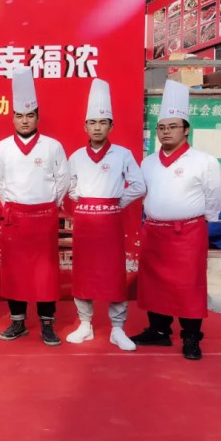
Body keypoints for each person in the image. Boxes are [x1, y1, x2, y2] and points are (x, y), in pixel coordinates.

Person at [132, 80, 221, 360]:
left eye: (173, 126)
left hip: (187, 233)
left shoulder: (204, 161)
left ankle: (191, 337)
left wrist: (199, 221)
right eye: (162, 127)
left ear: (186, 130)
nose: (166, 132)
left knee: (188, 287)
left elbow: (214, 198)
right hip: (154, 232)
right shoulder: (148, 162)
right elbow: (141, 192)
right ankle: (159, 330)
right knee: (154, 284)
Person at [0, 67, 69, 346]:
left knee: (45, 274)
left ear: (37, 117)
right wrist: (13, 205)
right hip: (15, 219)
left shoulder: (52, 146)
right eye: (20, 115)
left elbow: (63, 180)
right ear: (12, 117)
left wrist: (47, 205)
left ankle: (47, 324)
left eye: (30, 115)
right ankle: (18, 322)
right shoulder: (1, 148)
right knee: (16, 273)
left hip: (44, 219)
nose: (25, 120)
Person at [65, 79, 146, 351]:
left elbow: (139, 185)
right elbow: (68, 185)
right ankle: (85, 324)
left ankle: (118, 329)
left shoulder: (122, 155)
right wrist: (85, 200)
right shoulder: (76, 156)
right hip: (85, 224)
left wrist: (116, 201)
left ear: (111, 126)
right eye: (92, 122)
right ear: (85, 127)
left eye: (103, 122)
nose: (97, 127)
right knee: (83, 274)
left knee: (113, 274)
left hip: (110, 224)